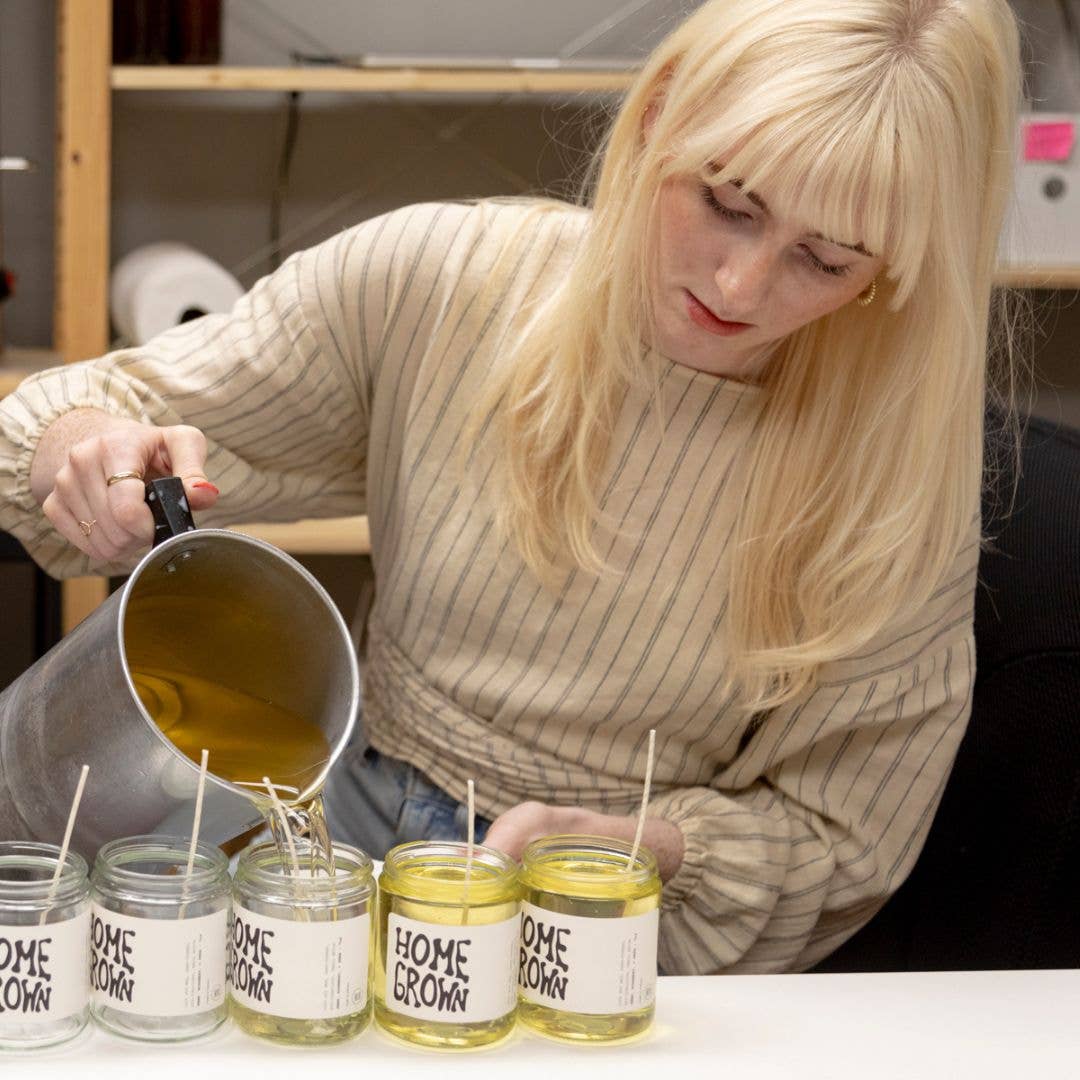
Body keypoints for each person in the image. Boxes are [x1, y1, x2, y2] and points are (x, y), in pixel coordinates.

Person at [0, 0, 1024, 974]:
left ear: (895, 272)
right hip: (330, 839)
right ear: (658, 115)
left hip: (607, 920)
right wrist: (84, 444)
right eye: (726, 201)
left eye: (825, 259)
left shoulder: (898, 478)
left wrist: (648, 845)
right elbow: (89, 405)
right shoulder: (442, 281)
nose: (739, 287)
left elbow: (840, 839)